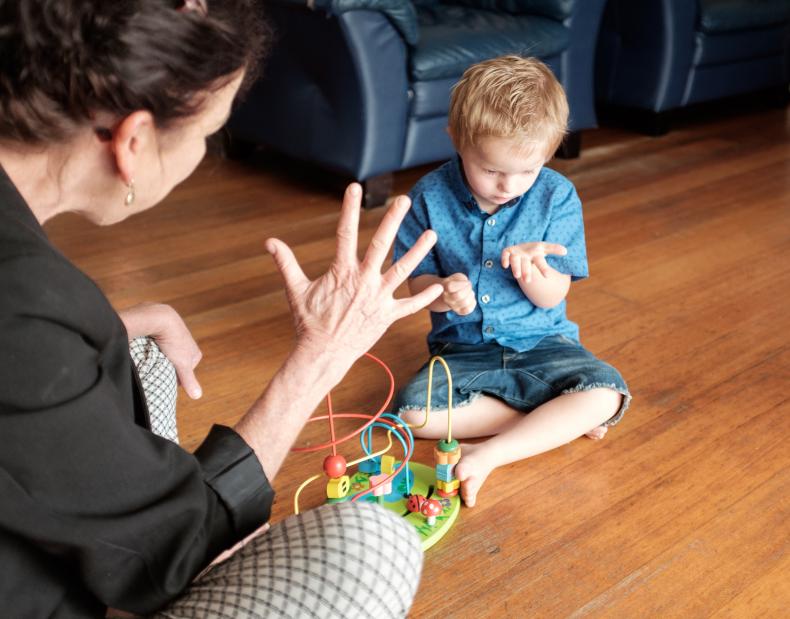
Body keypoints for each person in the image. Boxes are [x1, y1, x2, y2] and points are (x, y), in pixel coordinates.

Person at [0, 1, 444, 617]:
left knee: (144, 358)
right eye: (210, 134)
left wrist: (110, 326)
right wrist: (321, 354)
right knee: (374, 545)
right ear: (133, 141)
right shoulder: (23, 309)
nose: (206, 150)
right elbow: (183, 546)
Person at [392, 56, 631, 509]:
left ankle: (492, 452)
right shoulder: (427, 195)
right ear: (456, 141)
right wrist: (444, 291)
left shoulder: (555, 195)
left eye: (526, 171)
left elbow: (555, 294)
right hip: (462, 350)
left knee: (606, 393)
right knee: (411, 414)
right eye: (491, 170)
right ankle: (550, 421)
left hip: (544, 342)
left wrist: (535, 274)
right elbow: (414, 284)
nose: (507, 186)